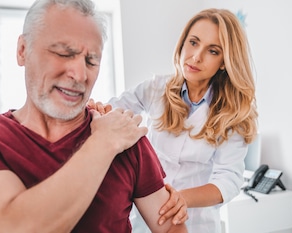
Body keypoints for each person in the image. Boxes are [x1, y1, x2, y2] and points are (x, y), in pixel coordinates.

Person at [0, 0, 188, 232]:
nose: (80, 75)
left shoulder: (127, 137)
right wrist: (103, 143)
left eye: (91, 61)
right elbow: (10, 227)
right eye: (63, 53)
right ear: (22, 51)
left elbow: (170, 227)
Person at [90, 8, 258, 233]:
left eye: (213, 51)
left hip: (196, 222)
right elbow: (116, 108)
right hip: (144, 218)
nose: (196, 56)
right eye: (194, 42)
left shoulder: (234, 113)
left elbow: (228, 180)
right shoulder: (156, 88)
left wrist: (182, 198)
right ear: (182, 43)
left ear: (224, 62)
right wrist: (100, 110)